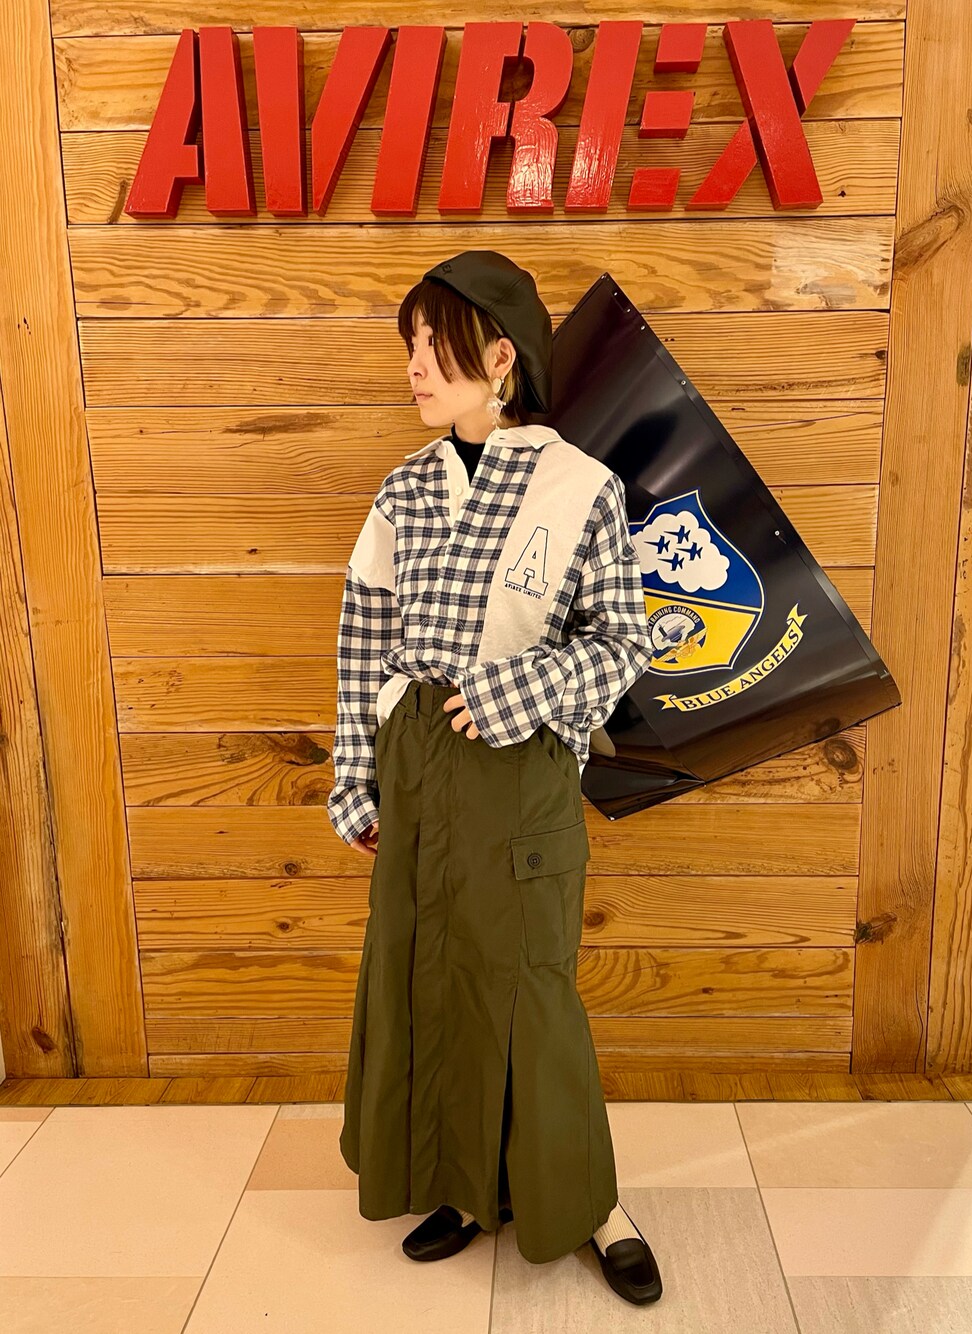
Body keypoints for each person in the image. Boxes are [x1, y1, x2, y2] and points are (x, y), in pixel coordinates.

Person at [328, 250, 661, 1305]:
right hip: (417, 767)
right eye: (411, 347)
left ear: (502, 355)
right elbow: (363, 642)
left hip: (521, 770)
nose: (415, 367)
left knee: (528, 987)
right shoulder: (405, 489)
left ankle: (592, 1205)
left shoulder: (580, 488)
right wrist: (357, 775)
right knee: (435, 976)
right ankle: (469, 1187)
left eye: (435, 345)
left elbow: (624, 643)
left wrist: (519, 689)